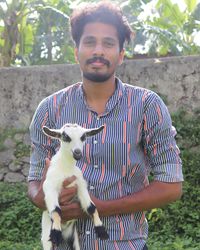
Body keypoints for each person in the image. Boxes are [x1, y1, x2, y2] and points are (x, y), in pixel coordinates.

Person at [28, 1, 183, 250]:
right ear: (76, 50)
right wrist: (46, 197)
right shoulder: (49, 109)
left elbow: (171, 185)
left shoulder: (147, 105)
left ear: (121, 54)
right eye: (89, 42)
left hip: (125, 245)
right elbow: (35, 181)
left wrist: (100, 207)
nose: (98, 50)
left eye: (108, 43)